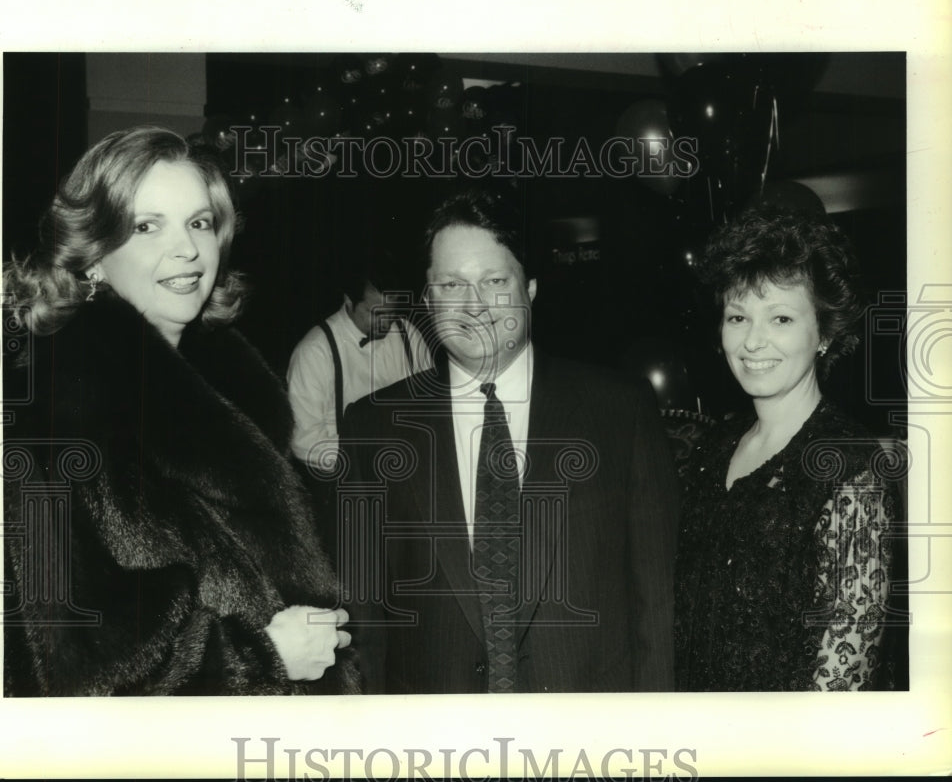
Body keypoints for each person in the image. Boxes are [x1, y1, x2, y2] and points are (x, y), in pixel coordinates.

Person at [1, 126, 359, 695]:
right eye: (147, 227)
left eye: (199, 222)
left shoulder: (230, 389)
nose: (188, 249)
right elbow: (63, 670)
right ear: (92, 256)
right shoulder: (52, 415)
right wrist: (261, 657)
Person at [339, 186, 680, 693]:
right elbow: (364, 617)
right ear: (428, 299)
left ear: (532, 288)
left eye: (495, 280)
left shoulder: (620, 411)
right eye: (452, 285)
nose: (474, 305)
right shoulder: (373, 426)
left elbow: (658, 601)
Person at [674, 205, 901, 692]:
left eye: (780, 318)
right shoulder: (709, 451)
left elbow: (841, 686)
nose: (753, 341)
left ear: (824, 333)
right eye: (738, 316)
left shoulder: (849, 470)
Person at [286, 254, 432, 474]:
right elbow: (303, 441)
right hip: (347, 479)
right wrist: (367, 456)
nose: (385, 323)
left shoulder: (409, 334)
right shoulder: (314, 352)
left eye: (391, 313)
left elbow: (430, 403)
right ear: (348, 302)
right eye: (376, 313)